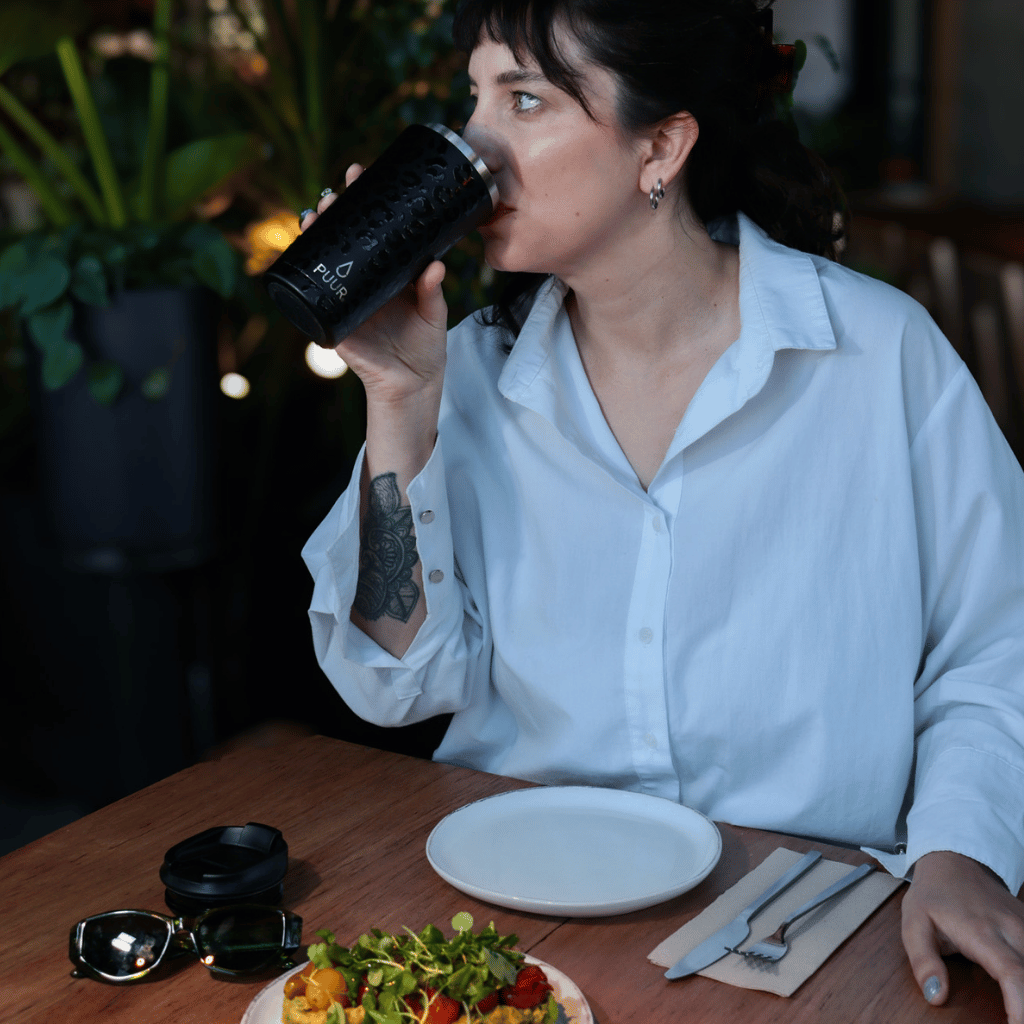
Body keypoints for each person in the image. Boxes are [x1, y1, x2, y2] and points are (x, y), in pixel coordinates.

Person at [299, 1, 1024, 1018]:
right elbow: (394, 683)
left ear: (662, 148)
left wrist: (961, 852)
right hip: (510, 919)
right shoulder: (463, 372)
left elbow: (995, 652)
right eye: (475, 99)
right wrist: (398, 397)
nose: (475, 148)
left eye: (525, 101)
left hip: (796, 921)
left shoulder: (877, 357)